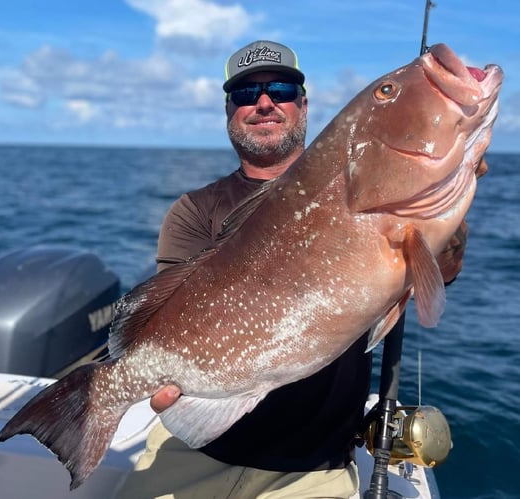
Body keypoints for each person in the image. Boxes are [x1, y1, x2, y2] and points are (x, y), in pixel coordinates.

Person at [116, 40, 470, 499]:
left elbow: (442, 273)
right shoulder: (193, 211)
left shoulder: (374, 190)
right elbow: (167, 318)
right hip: (191, 455)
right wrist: (135, 382)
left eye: (280, 88)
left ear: (303, 105)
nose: (264, 103)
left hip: (313, 472)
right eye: (246, 95)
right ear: (229, 111)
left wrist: (444, 211)